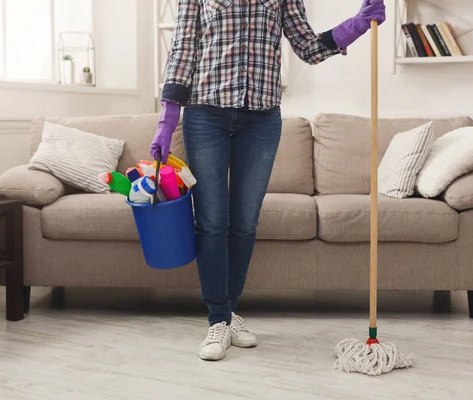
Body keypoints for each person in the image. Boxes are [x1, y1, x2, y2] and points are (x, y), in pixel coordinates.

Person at [150, 0, 386, 361]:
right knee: (212, 221)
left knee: (245, 222)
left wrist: (356, 24)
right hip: (205, 114)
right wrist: (168, 119)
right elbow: (184, 46)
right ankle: (218, 318)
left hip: (261, 119)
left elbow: (307, 46)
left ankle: (227, 314)